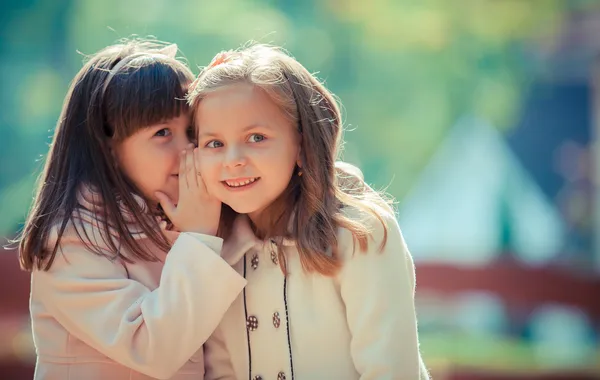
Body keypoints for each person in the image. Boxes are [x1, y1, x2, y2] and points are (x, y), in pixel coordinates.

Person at [189, 44, 430, 380]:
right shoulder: (213, 254)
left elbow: (389, 370)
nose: (233, 160)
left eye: (256, 137)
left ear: (301, 145)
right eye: (214, 143)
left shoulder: (360, 233)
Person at [17, 39, 246, 380]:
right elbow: (152, 347)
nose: (188, 150)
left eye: (193, 131)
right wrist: (198, 238)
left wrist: (233, 91)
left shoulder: (189, 211)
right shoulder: (71, 241)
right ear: (107, 147)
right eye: (163, 132)